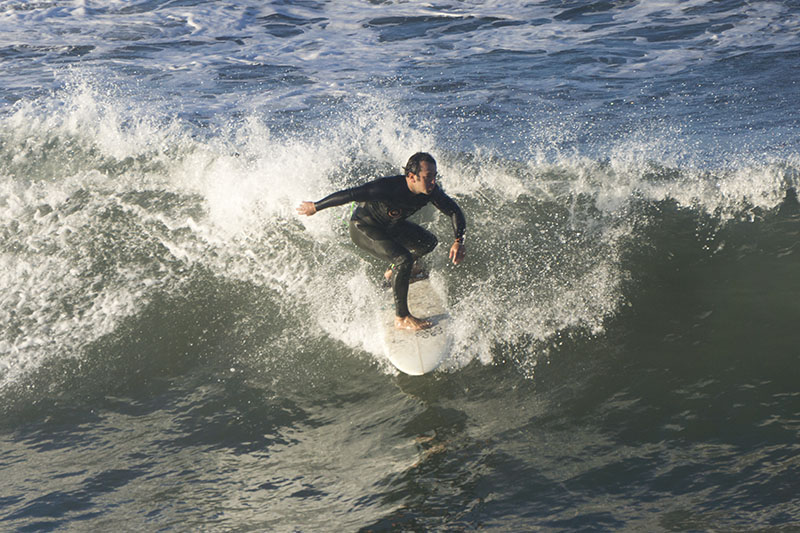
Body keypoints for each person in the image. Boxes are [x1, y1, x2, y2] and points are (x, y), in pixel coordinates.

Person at [296, 152, 466, 331]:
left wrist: (458, 240)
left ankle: (396, 272)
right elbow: (350, 194)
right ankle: (402, 318)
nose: (433, 182)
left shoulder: (430, 192)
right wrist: (315, 206)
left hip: (392, 226)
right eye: (427, 177)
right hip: (364, 228)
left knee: (428, 243)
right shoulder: (387, 188)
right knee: (403, 258)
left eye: (434, 176)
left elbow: (454, 211)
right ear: (411, 176)